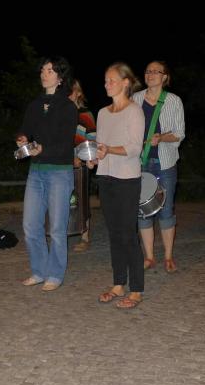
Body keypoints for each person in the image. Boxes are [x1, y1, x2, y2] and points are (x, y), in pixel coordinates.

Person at [17, 57, 78, 291]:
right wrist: (23, 138)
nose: (44, 74)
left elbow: (65, 144)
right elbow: (25, 130)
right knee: (30, 225)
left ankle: (55, 274)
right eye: (43, 70)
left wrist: (43, 149)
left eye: (50, 71)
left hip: (59, 173)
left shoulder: (68, 107)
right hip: (36, 172)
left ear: (60, 78)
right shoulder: (35, 105)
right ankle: (39, 271)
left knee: (57, 228)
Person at [91, 63, 146, 309]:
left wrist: (108, 150)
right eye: (105, 80)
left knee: (128, 234)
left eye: (111, 80)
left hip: (127, 179)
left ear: (126, 82)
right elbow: (100, 145)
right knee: (114, 234)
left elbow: (135, 148)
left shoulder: (135, 111)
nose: (107, 84)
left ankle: (137, 289)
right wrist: (94, 157)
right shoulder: (102, 113)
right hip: (106, 177)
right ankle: (118, 283)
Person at [132, 61, 185, 273]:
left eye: (156, 71)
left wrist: (161, 138)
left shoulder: (174, 101)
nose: (151, 74)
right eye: (148, 71)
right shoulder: (135, 99)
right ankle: (149, 256)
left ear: (165, 77)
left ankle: (169, 256)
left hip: (165, 163)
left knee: (166, 209)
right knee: (143, 210)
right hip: (140, 163)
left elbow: (179, 134)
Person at [69, 79, 96, 252]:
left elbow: (92, 139)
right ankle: (64, 231)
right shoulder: (60, 113)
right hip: (61, 162)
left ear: (78, 93)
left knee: (81, 198)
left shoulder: (85, 114)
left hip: (81, 163)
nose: (68, 94)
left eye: (71, 90)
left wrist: (82, 157)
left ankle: (85, 236)